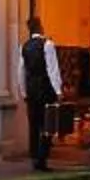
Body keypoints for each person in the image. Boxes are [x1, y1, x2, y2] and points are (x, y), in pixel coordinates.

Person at [20, 16, 63, 171]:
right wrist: (58, 90)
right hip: (46, 89)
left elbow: (21, 71)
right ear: (40, 28)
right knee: (48, 125)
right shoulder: (48, 45)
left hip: (31, 90)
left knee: (34, 124)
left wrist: (23, 91)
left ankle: (34, 157)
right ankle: (42, 158)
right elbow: (53, 69)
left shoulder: (24, 47)